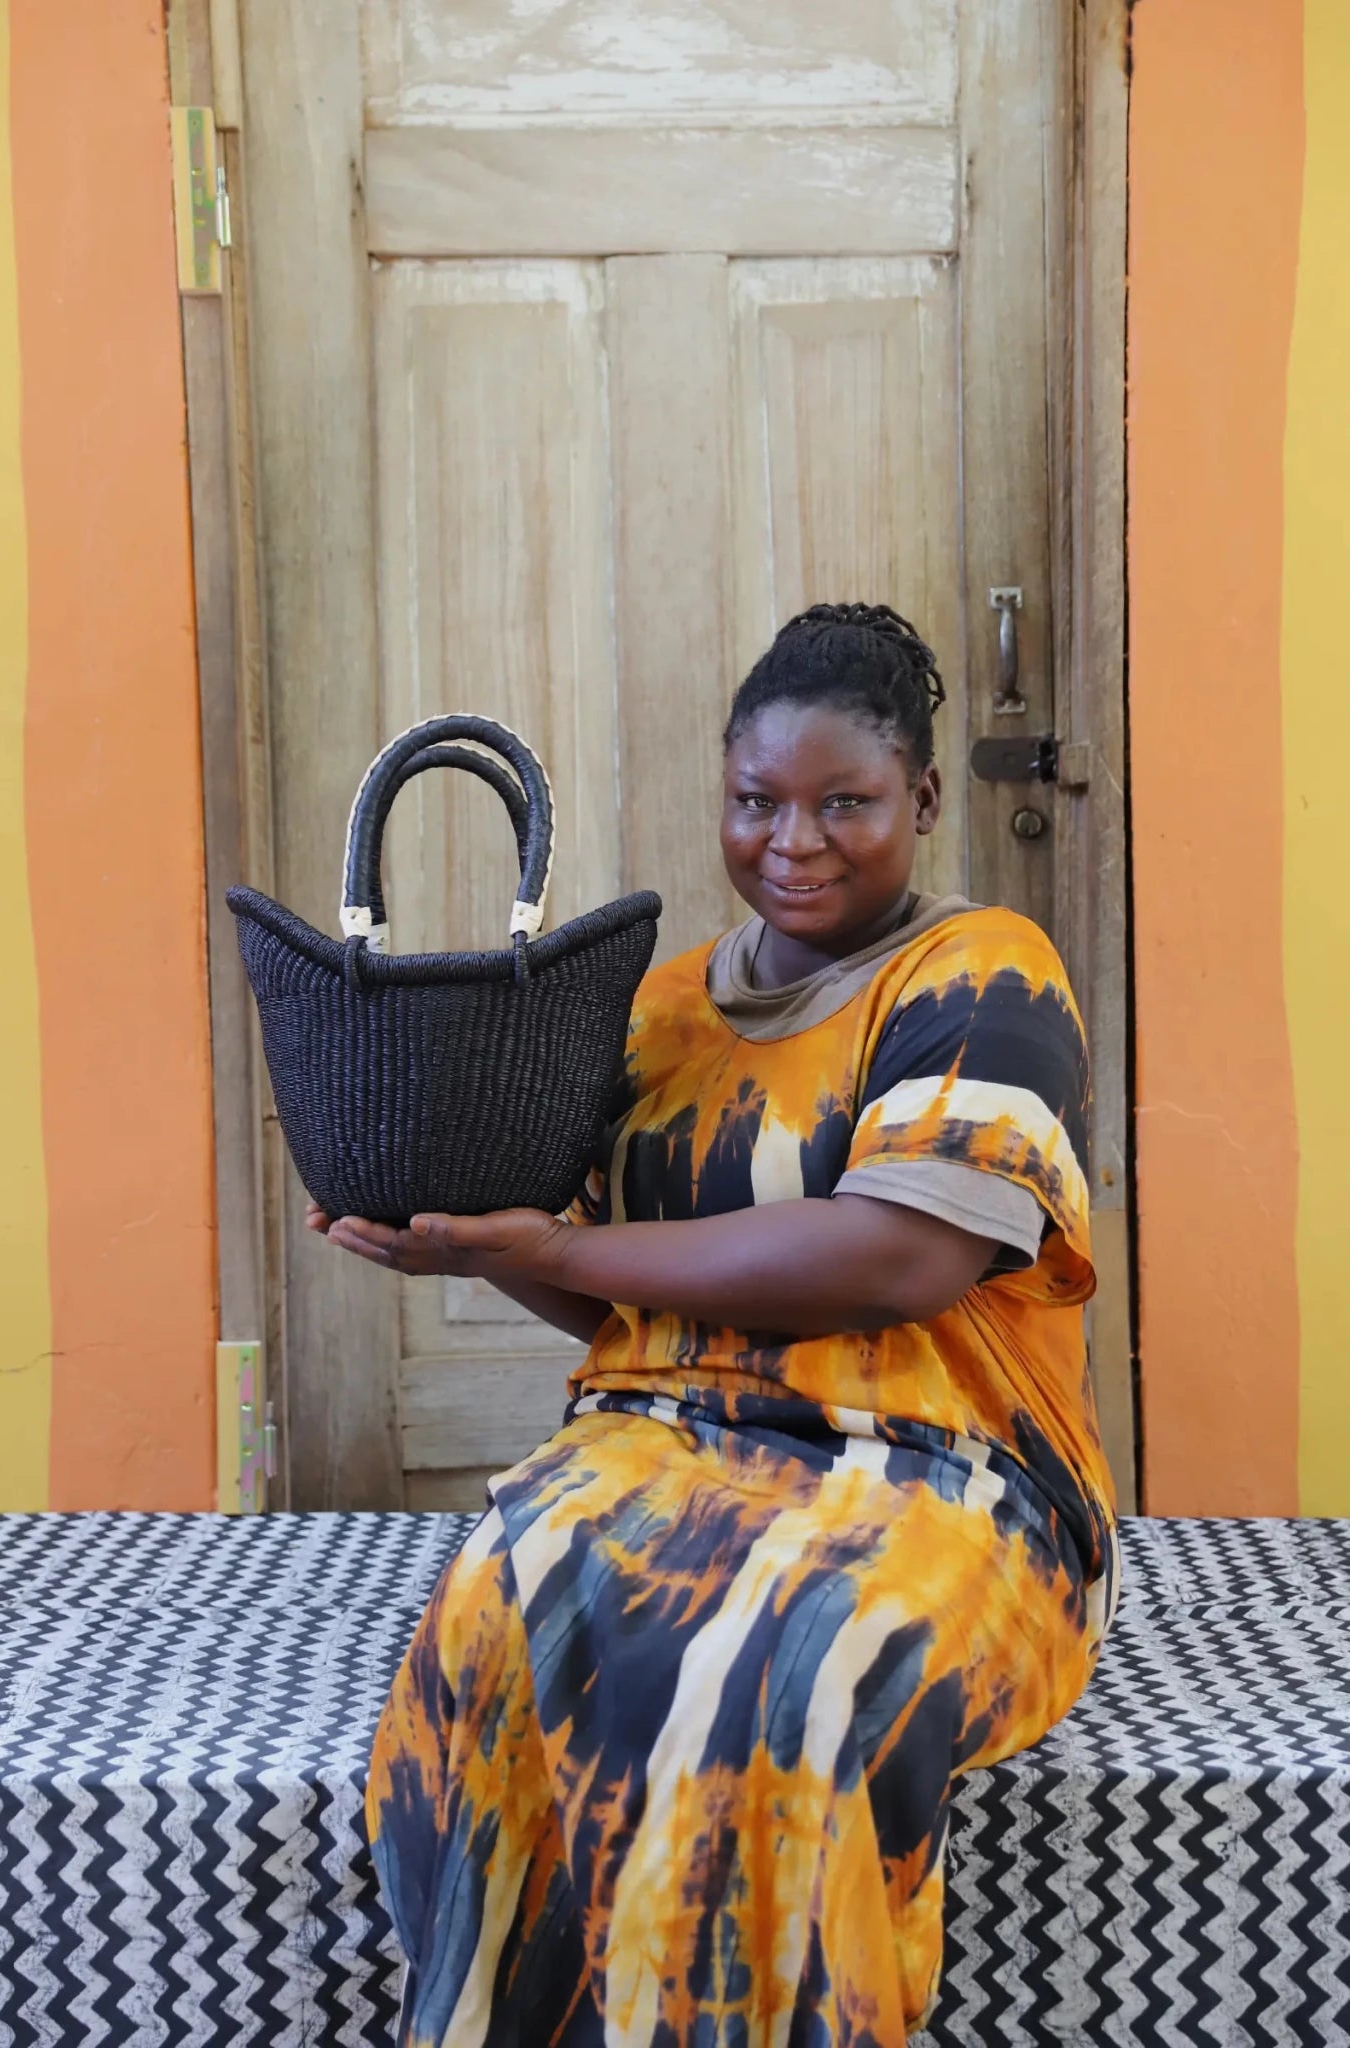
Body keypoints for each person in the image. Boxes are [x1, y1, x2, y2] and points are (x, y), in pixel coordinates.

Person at [312, 602, 1118, 2047]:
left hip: (942, 1470)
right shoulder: (663, 1008)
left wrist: (559, 1239)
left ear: (925, 799)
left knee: (796, 1668)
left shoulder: (983, 976)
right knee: (498, 1619)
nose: (793, 841)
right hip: (664, 1443)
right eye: (757, 802)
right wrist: (465, 1247)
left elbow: (902, 1256)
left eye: (844, 803)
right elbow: (619, 1291)